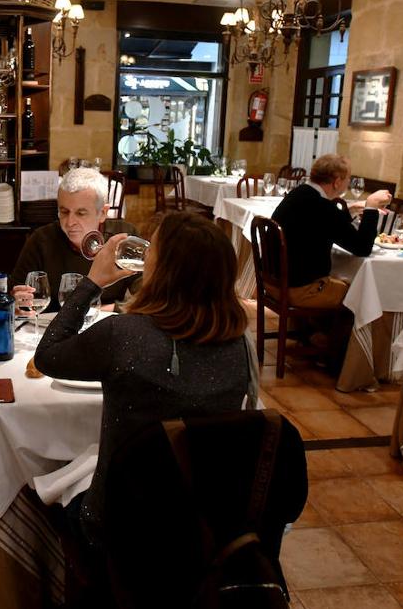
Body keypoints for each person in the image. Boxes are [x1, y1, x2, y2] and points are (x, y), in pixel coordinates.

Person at [33, 212, 258, 590]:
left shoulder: (123, 336)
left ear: (162, 271)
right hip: (203, 528)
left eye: (154, 254)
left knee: (44, 494)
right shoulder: (241, 348)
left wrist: (92, 282)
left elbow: (48, 355)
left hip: (120, 529)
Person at [271, 154, 391, 308]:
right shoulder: (323, 207)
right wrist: (371, 206)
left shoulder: (299, 193)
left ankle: (315, 329)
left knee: (342, 280)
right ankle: (327, 332)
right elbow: (362, 247)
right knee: (361, 293)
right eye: (348, 178)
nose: (348, 182)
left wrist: (351, 210)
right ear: (337, 182)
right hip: (299, 290)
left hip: (275, 283)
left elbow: (325, 225)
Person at [11, 167, 137, 310]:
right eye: (64, 212)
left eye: (81, 213)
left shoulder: (123, 238)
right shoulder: (41, 240)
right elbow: (14, 295)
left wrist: (103, 310)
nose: (70, 222)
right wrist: (17, 302)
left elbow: (150, 297)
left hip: (107, 325)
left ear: (103, 213)